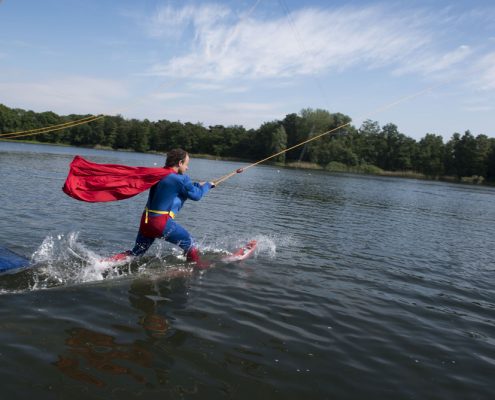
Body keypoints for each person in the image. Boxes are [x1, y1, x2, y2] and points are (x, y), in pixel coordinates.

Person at [111, 148, 214, 268]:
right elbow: (196, 196)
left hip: (146, 220)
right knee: (190, 243)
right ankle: (195, 267)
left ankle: (103, 264)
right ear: (180, 163)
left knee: (136, 253)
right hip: (160, 222)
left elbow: (180, 188)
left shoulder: (158, 173)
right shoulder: (181, 179)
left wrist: (197, 185)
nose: (187, 168)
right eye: (186, 164)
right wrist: (208, 185)